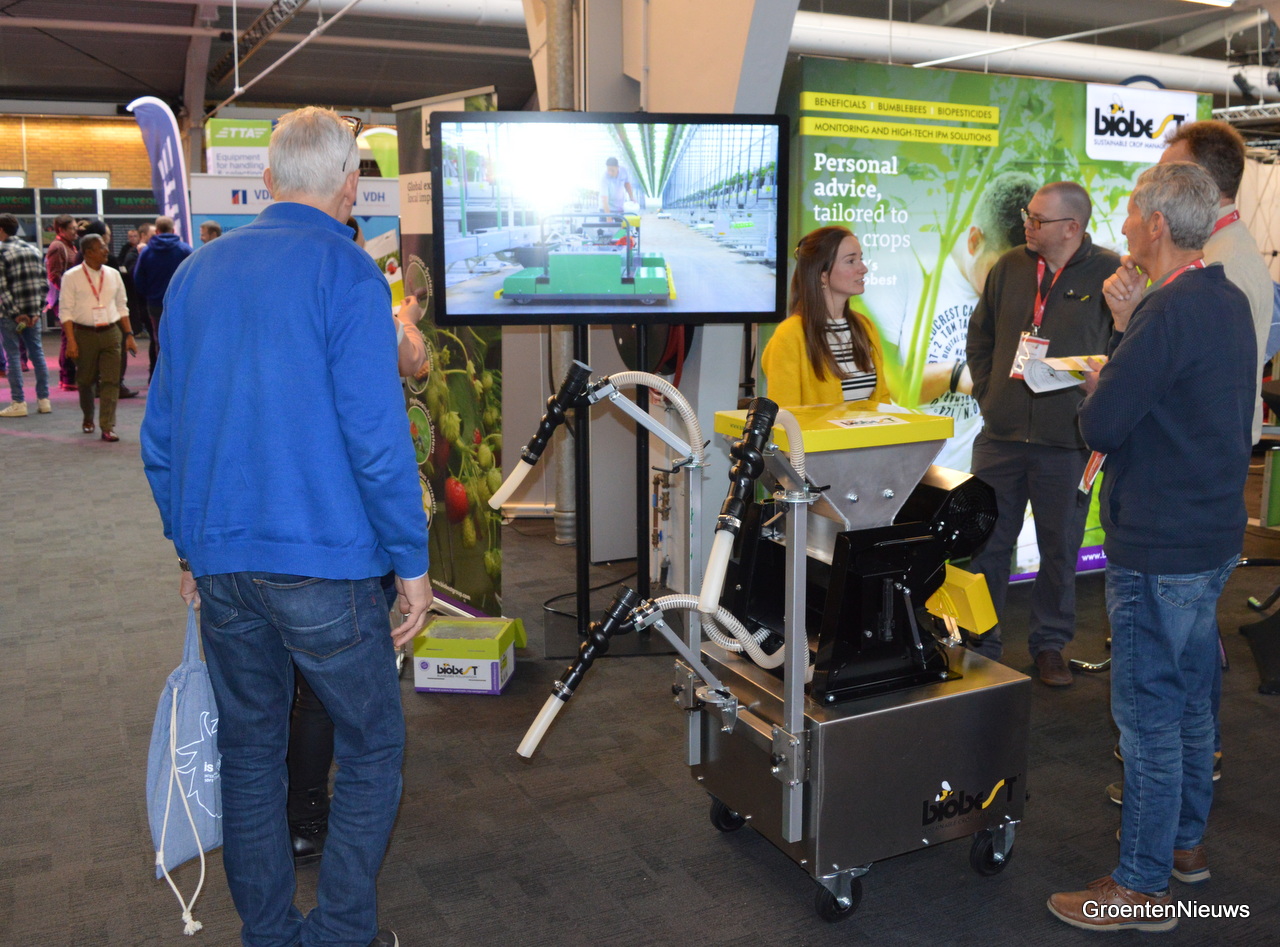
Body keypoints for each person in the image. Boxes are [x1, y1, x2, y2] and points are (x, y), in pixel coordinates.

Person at [140, 106, 431, 947]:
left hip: (222, 565)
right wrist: (412, 562)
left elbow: (161, 439)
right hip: (328, 568)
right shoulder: (349, 275)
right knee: (371, 745)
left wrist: (188, 546)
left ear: (266, 181)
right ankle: (338, 933)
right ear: (351, 186)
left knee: (250, 751)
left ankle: (268, 934)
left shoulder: (195, 275)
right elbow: (375, 439)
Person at [1047, 162, 1255, 932]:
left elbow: (1103, 424)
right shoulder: (1225, 299)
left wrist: (1104, 371)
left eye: (1133, 214)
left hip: (1159, 543)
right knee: (1192, 699)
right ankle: (1183, 846)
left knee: (1149, 717)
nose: (1126, 226)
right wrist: (1127, 331)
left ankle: (1141, 885)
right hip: (1208, 535)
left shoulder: (1168, 311)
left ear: (1158, 226)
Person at [964, 181, 1118, 684]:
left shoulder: (1112, 273)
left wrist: (1095, 405)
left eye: (1038, 219)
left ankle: (1050, 644)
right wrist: (989, 393)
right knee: (987, 543)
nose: (1027, 225)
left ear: (1072, 227)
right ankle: (981, 642)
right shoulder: (1009, 267)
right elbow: (981, 336)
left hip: (1068, 442)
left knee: (1060, 547)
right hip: (1001, 436)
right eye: (1027, 216)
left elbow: (1122, 350)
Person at [909, 170, 1037, 470]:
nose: (1008, 288)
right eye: (998, 273)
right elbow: (884, 390)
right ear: (974, 240)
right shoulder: (914, 274)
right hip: (915, 473)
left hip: (989, 472)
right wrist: (956, 376)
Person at [761, 225, 890, 407]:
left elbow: (882, 400)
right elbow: (784, 414)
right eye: (850, 261)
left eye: (860, 259)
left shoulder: (865, 326)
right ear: (823, 274)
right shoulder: (790, 335)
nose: (863, 268)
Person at [59, 234, 137, 441]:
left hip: (112, 332)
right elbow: (65, 312)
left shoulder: (113, 274)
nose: (106, 251)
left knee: (111, 380)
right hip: (84, 334)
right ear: (88, 253)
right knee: (85, 381)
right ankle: (88, 416)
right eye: (101, 247)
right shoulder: (71, 277)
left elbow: (122, 306)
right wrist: (71, 341)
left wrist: (129, 335)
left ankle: (107, 426)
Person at [0, 214, 52, 417]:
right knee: (37, 354)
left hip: (10, 315)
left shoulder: (2, 252)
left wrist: (15, 314)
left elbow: (3, 288)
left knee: (13, 356)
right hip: (33, 315)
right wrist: (36, 311)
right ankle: (44, 400)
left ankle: (19, 402)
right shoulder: (34, 250)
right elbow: (44, 284)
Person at [133, 215, 193, 382]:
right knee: (181, 339)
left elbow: (138, 279)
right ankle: (180, 378)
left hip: (155, 303)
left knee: (159, 340)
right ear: (173, 230)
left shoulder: (147, 252)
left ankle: (161, 379)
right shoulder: (185, 250)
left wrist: (150, 294)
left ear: (157, 231)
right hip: (180, 303)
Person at [45, 213, 79, 390]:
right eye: (72, 229)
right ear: (61, 230)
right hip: (63, 299)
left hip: (69, 298)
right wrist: (68, 293)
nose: (76, 232)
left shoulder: (68, 245)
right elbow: (54, 275)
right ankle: (67, 377)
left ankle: (68, 377)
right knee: (68, 337)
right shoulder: (58, 247)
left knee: (70, 336)